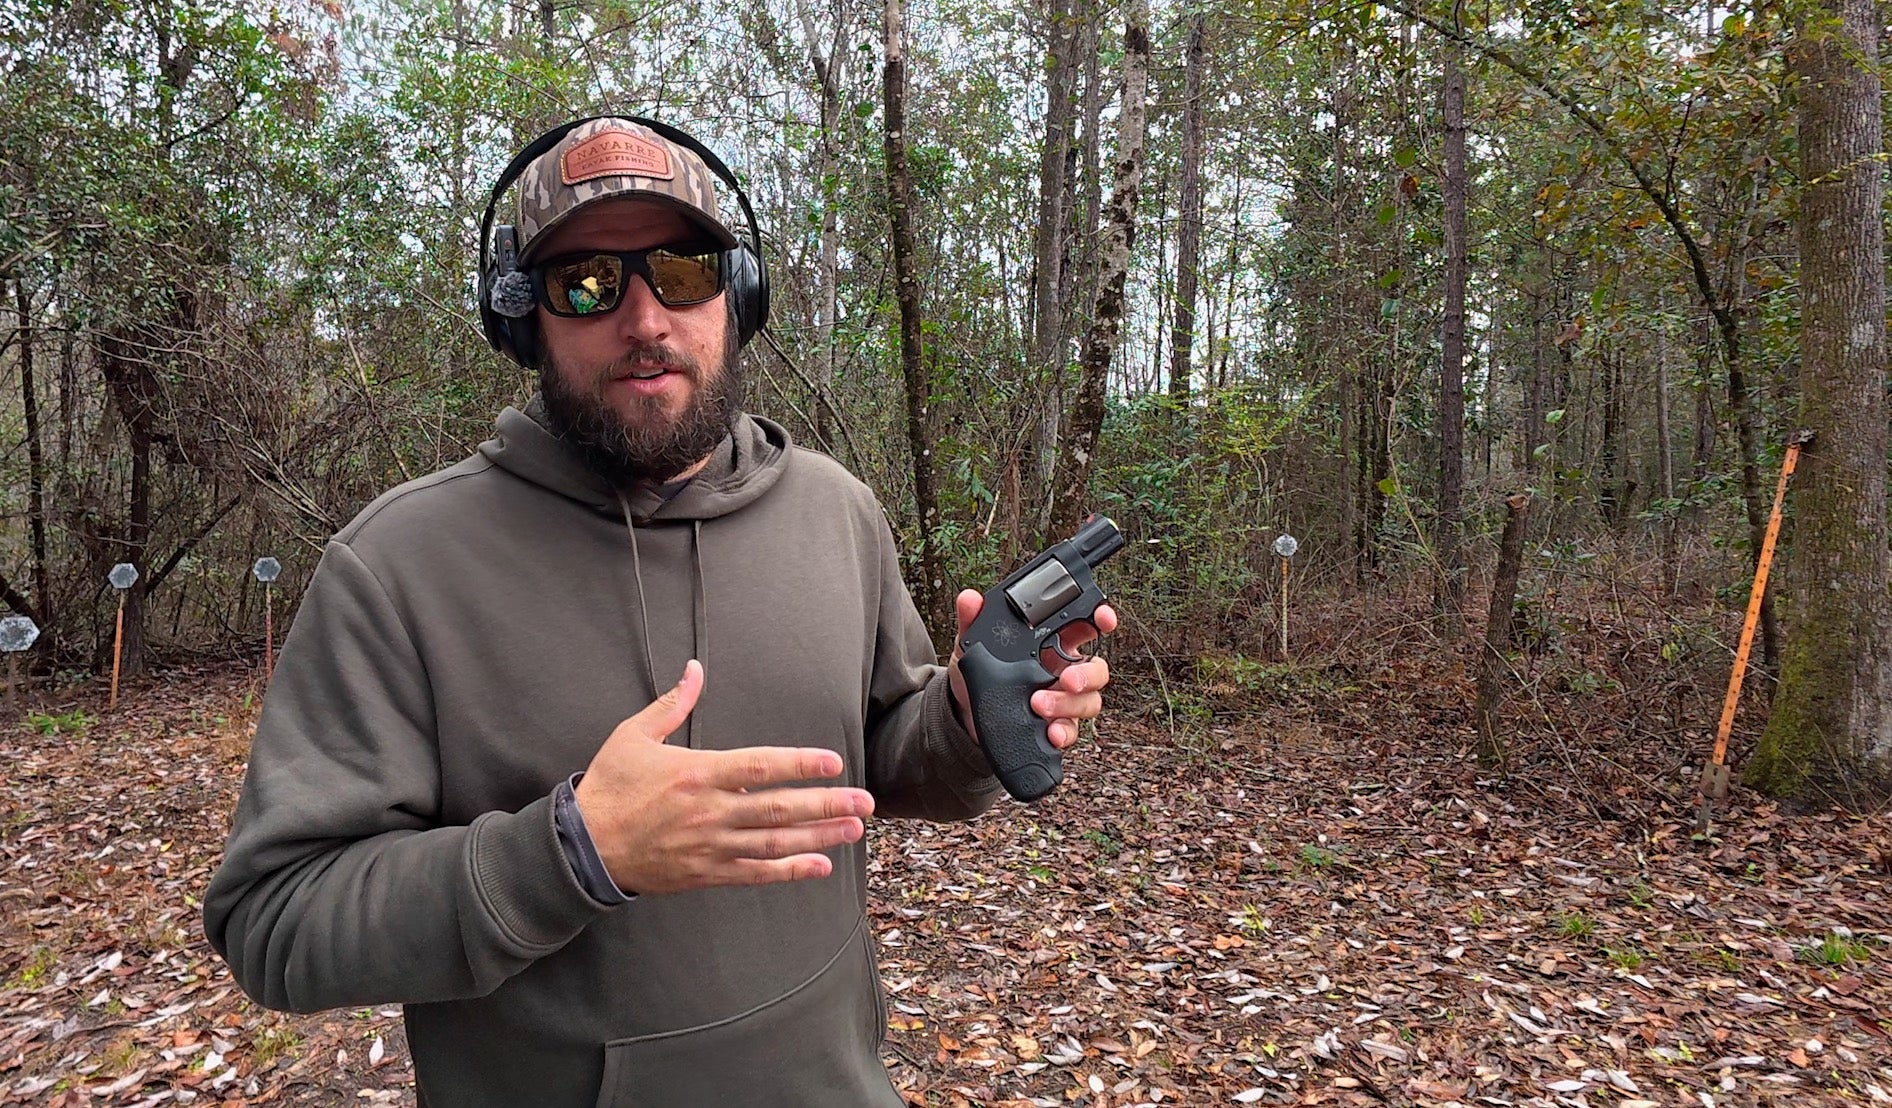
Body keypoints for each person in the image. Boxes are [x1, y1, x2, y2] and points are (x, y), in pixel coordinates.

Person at [203, 114, 1117, 1107]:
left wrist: (968, 723)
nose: (644, 320)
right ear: (523, 318)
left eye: (683, 270)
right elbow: (276, 918)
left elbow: (876, 755)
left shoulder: (835, 510)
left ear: (738, 295)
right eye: (585, 282)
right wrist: (567, 854)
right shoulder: (399, 565)